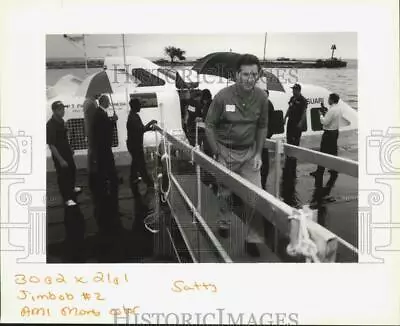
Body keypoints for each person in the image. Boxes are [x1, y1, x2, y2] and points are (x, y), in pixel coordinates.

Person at [205, 53, 269, 257]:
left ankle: (253, 238)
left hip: (249, 153)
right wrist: (218, 154)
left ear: (258, 75)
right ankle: (223, 221)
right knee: (225, 193)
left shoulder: (261, 97)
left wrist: (258, 153)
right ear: (237, 75)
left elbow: (262, 126)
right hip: (225, 150)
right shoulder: (222, 97)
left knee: (255, 199)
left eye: (254, 74)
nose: (250, 78)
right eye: (245, 74)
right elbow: (209, 125)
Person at [90, 94, 121, 238]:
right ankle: (111, 183)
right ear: (104, 102)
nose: (109, 103)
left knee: (105, 166)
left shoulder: (100, 113)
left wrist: (111, 121)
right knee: (108, 164)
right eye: (108, 101)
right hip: (103, 147)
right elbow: (104, 130)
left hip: (102, 147)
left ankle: (107, 182)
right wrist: (113, 121)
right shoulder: (100, 114)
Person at [46, 100, 81, 206]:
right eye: (60, 110)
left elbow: (65, 138)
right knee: (63, 176)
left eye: (63, 109)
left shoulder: (62, 122)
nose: (63, 111)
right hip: (59, 154)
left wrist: (70, 148)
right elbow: (51, 145)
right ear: (54, 111)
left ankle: (71, 188)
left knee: (72, 170)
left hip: (67, 152)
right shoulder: (50, 125)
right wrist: (60, 160)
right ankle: (67, 198)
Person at [310, 93, 342, 201]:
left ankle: (319, 172)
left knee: (323, 152)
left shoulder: (332, 110)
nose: (328, 100)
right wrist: (325, 111)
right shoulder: (338, 108)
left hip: (328, 133)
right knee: (333, 152)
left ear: (332, 100)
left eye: (329, 99)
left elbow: (325, 122)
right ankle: (334, 170)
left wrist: (320, 115)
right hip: (335, 132)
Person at [126, 98, 157, 188]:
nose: (141, 106)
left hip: (133, 144)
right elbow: (141, 129)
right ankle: (149, 183)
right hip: (135, 145)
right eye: (139, 105)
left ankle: (133, 178)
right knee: (141, 164)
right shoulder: (133, 117)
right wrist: (151, 123)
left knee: (135, 163)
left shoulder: (134, 116)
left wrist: (150, 128)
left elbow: (141, 129)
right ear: (135, 106)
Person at [260, 90, 275, 191]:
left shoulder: (267, 105)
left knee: (264, 154)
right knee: (262, 152)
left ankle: (264, 173)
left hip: (265, 133)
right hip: (264, 132)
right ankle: (263, 172)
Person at [83, 94, 100, 173]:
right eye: (99, 92)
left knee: (92, 151)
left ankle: (92, 169)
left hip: (91, 131)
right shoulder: (90, 103)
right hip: (92, 131)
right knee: (93, 151)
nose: (100, 95)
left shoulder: (90, 102)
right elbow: (94, 119)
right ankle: (92, 170)